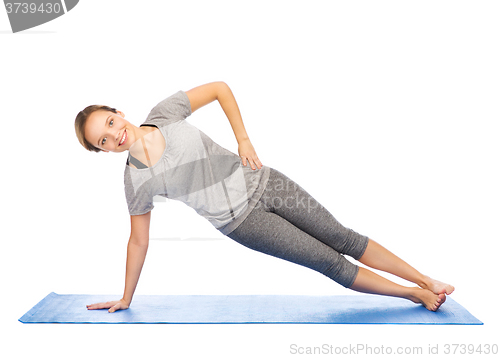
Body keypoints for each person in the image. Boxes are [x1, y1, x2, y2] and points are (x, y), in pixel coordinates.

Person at [75, 81, 454, 314]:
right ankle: (413, 295)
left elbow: (220, 87)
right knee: (329, 262)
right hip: (243, 224)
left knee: (343, 238)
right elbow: (138, 241)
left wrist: (243, 139)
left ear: (118, 112)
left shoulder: (164, 113)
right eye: (103, 140)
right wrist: (126, 297)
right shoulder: (135, 181)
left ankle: (426, 280)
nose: (114, 135)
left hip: (268, 182)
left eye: (110, 123)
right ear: (103, 151)